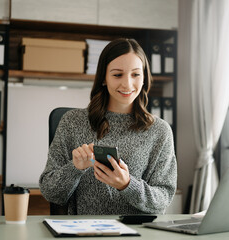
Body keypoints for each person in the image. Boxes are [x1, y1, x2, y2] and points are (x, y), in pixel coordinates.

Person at [39, 38, 177, 215]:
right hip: (85, 233)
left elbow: (163, 199)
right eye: (117, 75)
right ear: (104, 78)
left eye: (135, 74)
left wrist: (127, 185)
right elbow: (51, 193)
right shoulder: (72, 122)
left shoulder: (159, 131)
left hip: (138, 234)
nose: (127, 84)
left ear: (144, 78)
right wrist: (75, 168)